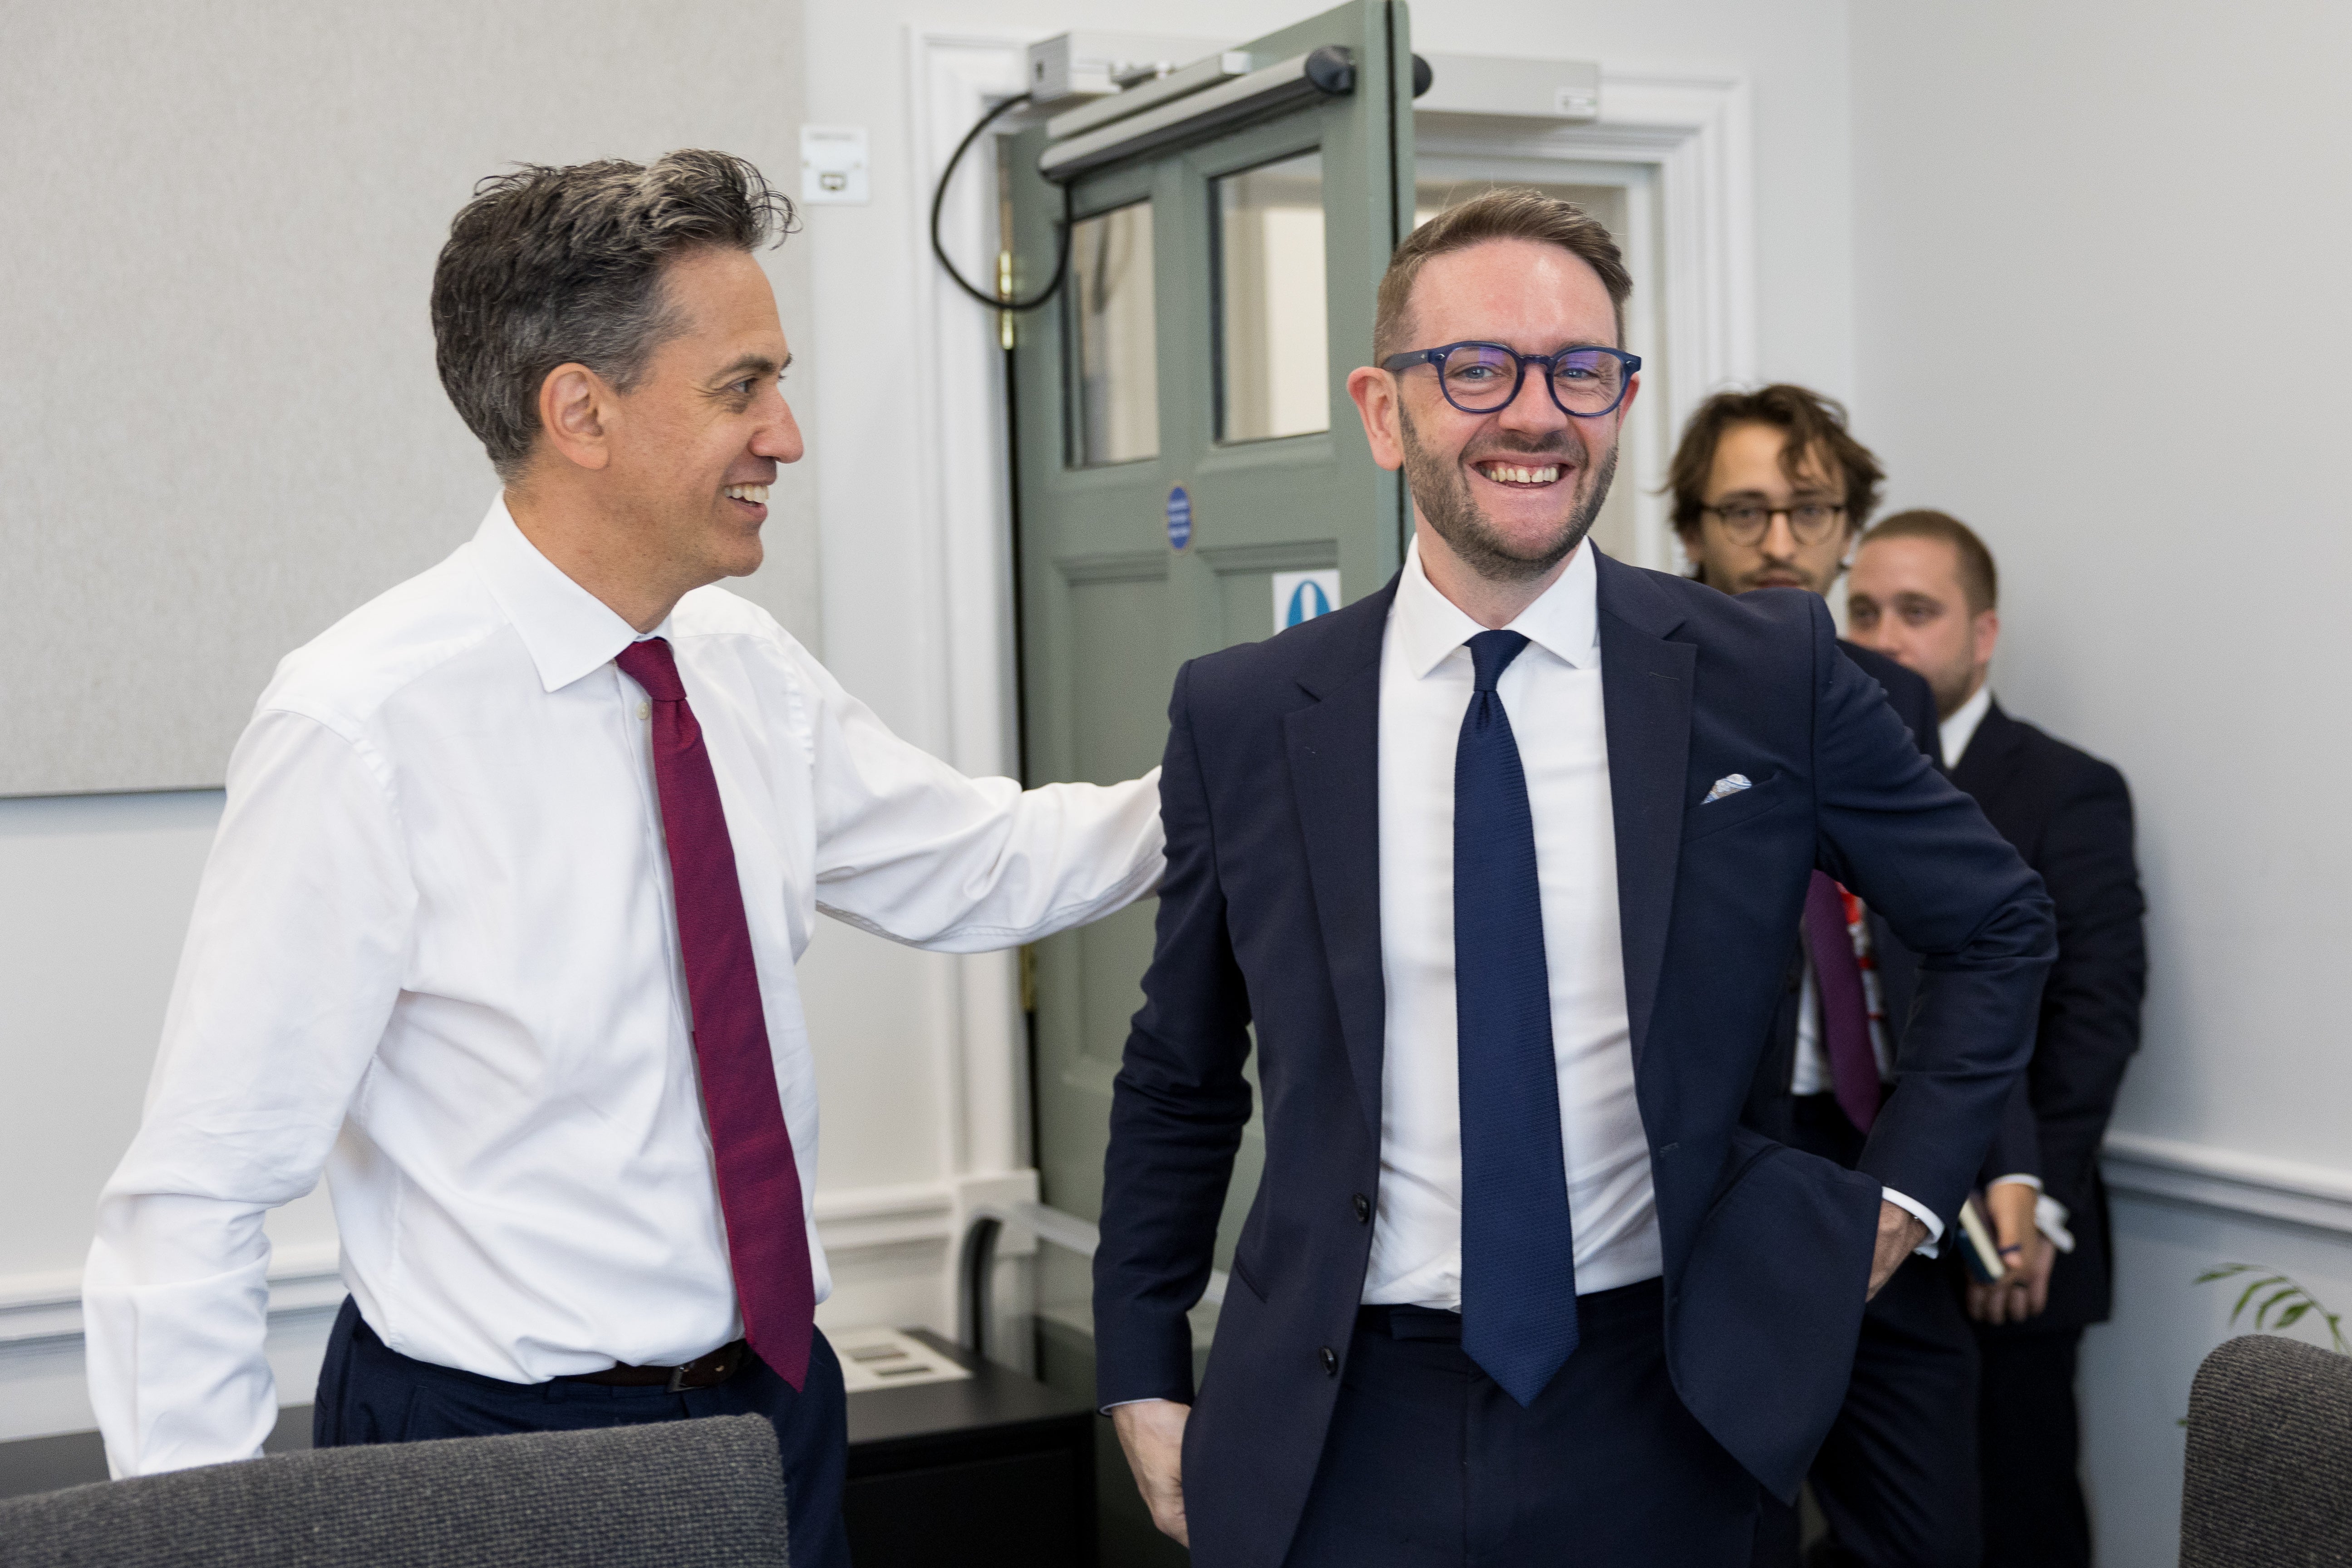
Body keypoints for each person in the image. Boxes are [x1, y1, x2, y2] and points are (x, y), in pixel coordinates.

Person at [80, 151, 1164, 1566]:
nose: (786, 433)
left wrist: (1258, 768)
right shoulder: (362, 724)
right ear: (579, 411)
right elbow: (197, 1196)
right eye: (740, 388)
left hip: (774, 1413)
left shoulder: (739, 667)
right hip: (494, 1457)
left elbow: (986, 864)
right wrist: (197, 1550)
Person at [1089, 188, 2054, 1568]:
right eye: (1475, 368)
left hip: (1667, 1405)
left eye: (1578, 371)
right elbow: (1178, 1069)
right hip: (1335, 1415)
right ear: (1382, 410)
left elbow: (1996, 921)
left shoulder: (1760, 675)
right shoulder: (1248, 713)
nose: (1533, 413)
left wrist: (1892, 1204)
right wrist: (1136, 1362)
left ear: (1617, 400)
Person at [1671, 388, 2043, 1568]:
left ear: (1846, 529)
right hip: (1717, 1181)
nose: (1779, 542)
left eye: (1809, 510)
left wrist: (1993, 1157)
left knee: (1929, 1536)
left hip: (1883, 1162)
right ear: (1690, 530)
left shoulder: (1884, 698)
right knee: (1732, 1530)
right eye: (1743, 512)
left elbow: (1956, 932)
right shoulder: (1635, 691)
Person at [1848, 510, 2145, 1568]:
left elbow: (2093, 1014)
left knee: (2018, 1519)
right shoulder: (1832, 776)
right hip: (1877, 1217)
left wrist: (2036, 1209)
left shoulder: (2064, 787)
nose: (1884, 638)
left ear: (1982, 635)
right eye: (1865, 611)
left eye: (1916, 613)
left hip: (2011, 1235)